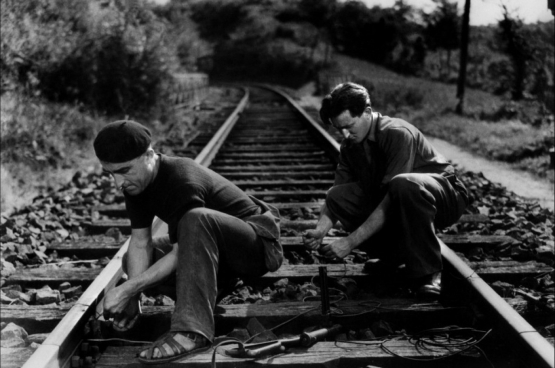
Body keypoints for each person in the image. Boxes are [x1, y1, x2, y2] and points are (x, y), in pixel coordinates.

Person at [93, 120, 283, 364]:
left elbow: (182, 253)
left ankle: (191, 332)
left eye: (124, 171)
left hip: (255, 248)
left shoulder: (181, 178)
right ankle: (213, 290)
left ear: (149, 155)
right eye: (111, 174)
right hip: (213, 254)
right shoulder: (136, 186)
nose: (118, 183)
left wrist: (127, 289)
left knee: (195, 219)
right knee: (134, 256)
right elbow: (141, 242)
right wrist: (133, 298)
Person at [304, 83, 468, 298]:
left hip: (444, 196)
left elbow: (393, 197)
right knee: (339, 195)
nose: (345, 134)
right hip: (401, 199)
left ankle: (429, 273)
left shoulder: (396, 133)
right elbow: (337, 195)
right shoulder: (350, 147)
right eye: (339, 129)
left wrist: (350, 242)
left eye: (349, 126)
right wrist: (320, 230)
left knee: (402, 184)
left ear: (368, 113)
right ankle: (395, 256)